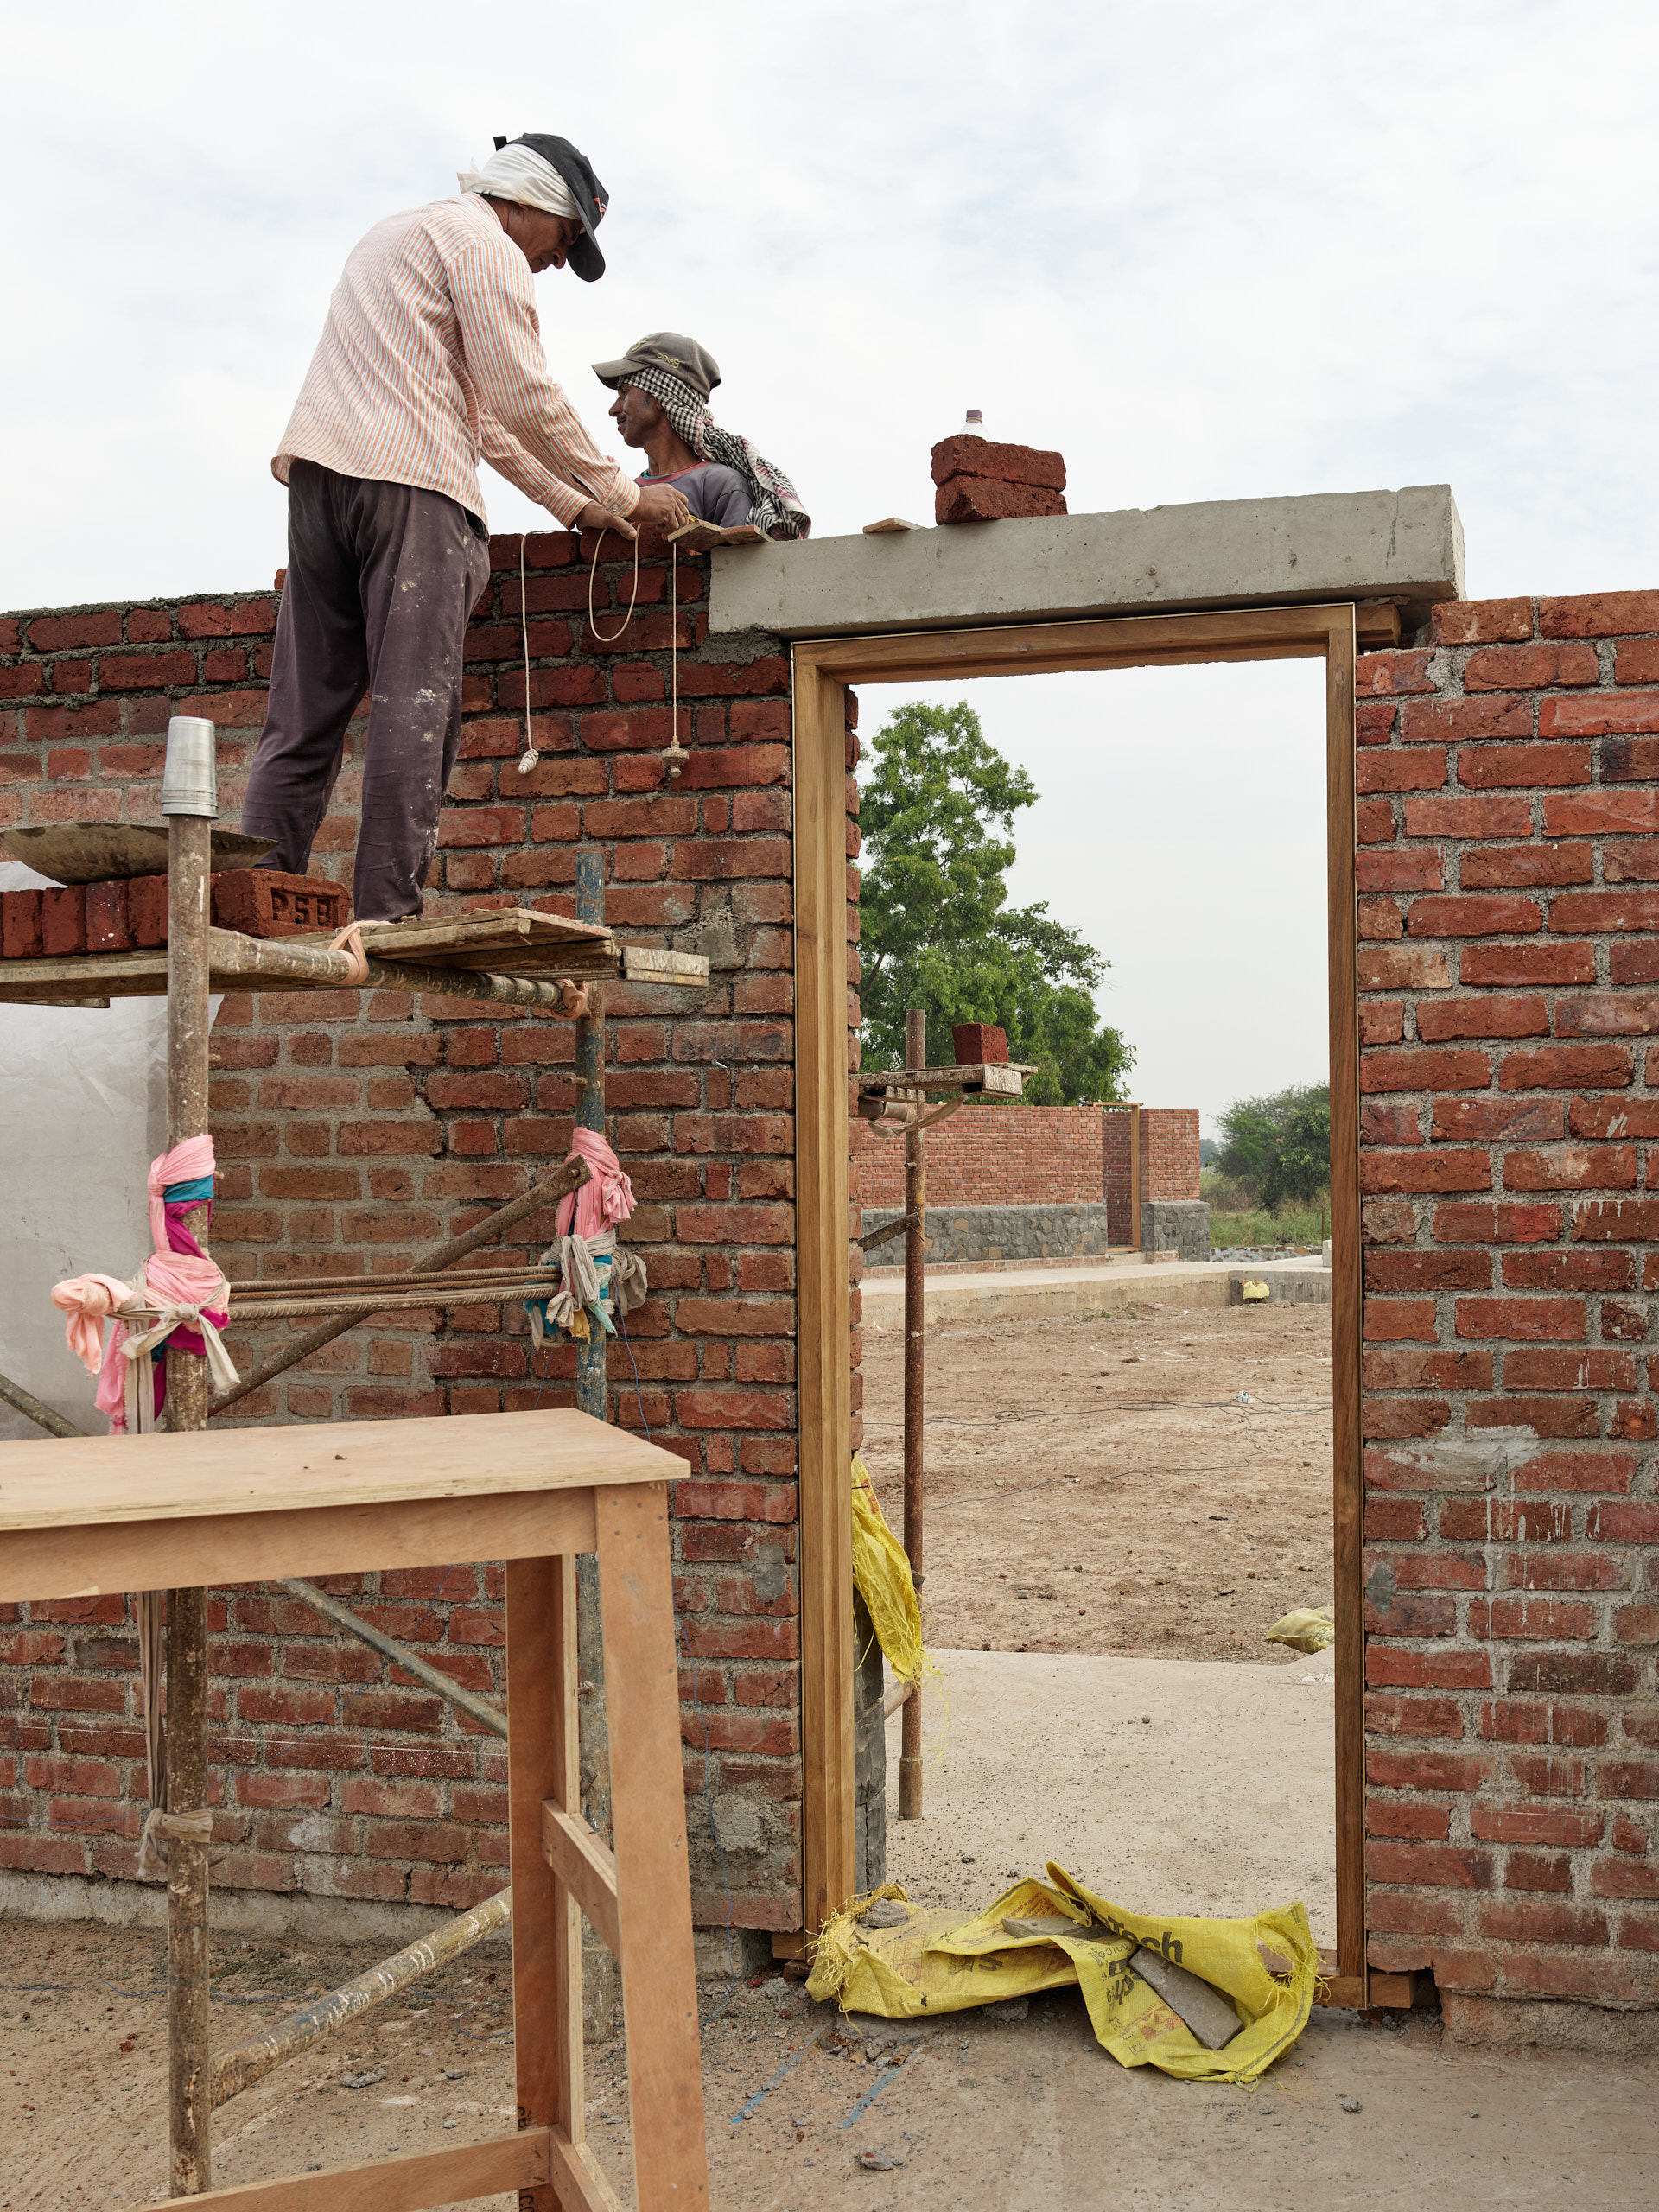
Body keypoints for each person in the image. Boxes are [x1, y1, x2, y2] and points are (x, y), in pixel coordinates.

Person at [241, 135, 691, 924]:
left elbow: (482, 416)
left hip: (319, 481)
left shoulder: (398, 232)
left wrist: (573, 505)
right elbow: (521, 394)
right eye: (566, 237)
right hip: (411, 490)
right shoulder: (487, 247)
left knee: (303, 716)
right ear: (529, 201)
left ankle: (256, 901)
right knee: (414, 708)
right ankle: (385, 918)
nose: (558, 260)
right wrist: (623, 491)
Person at [592, 333, 810, 540]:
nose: (614, 409)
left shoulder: (720, 485)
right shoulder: (631, 493)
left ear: (661, 397)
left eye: (625, 393)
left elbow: (735, 562)